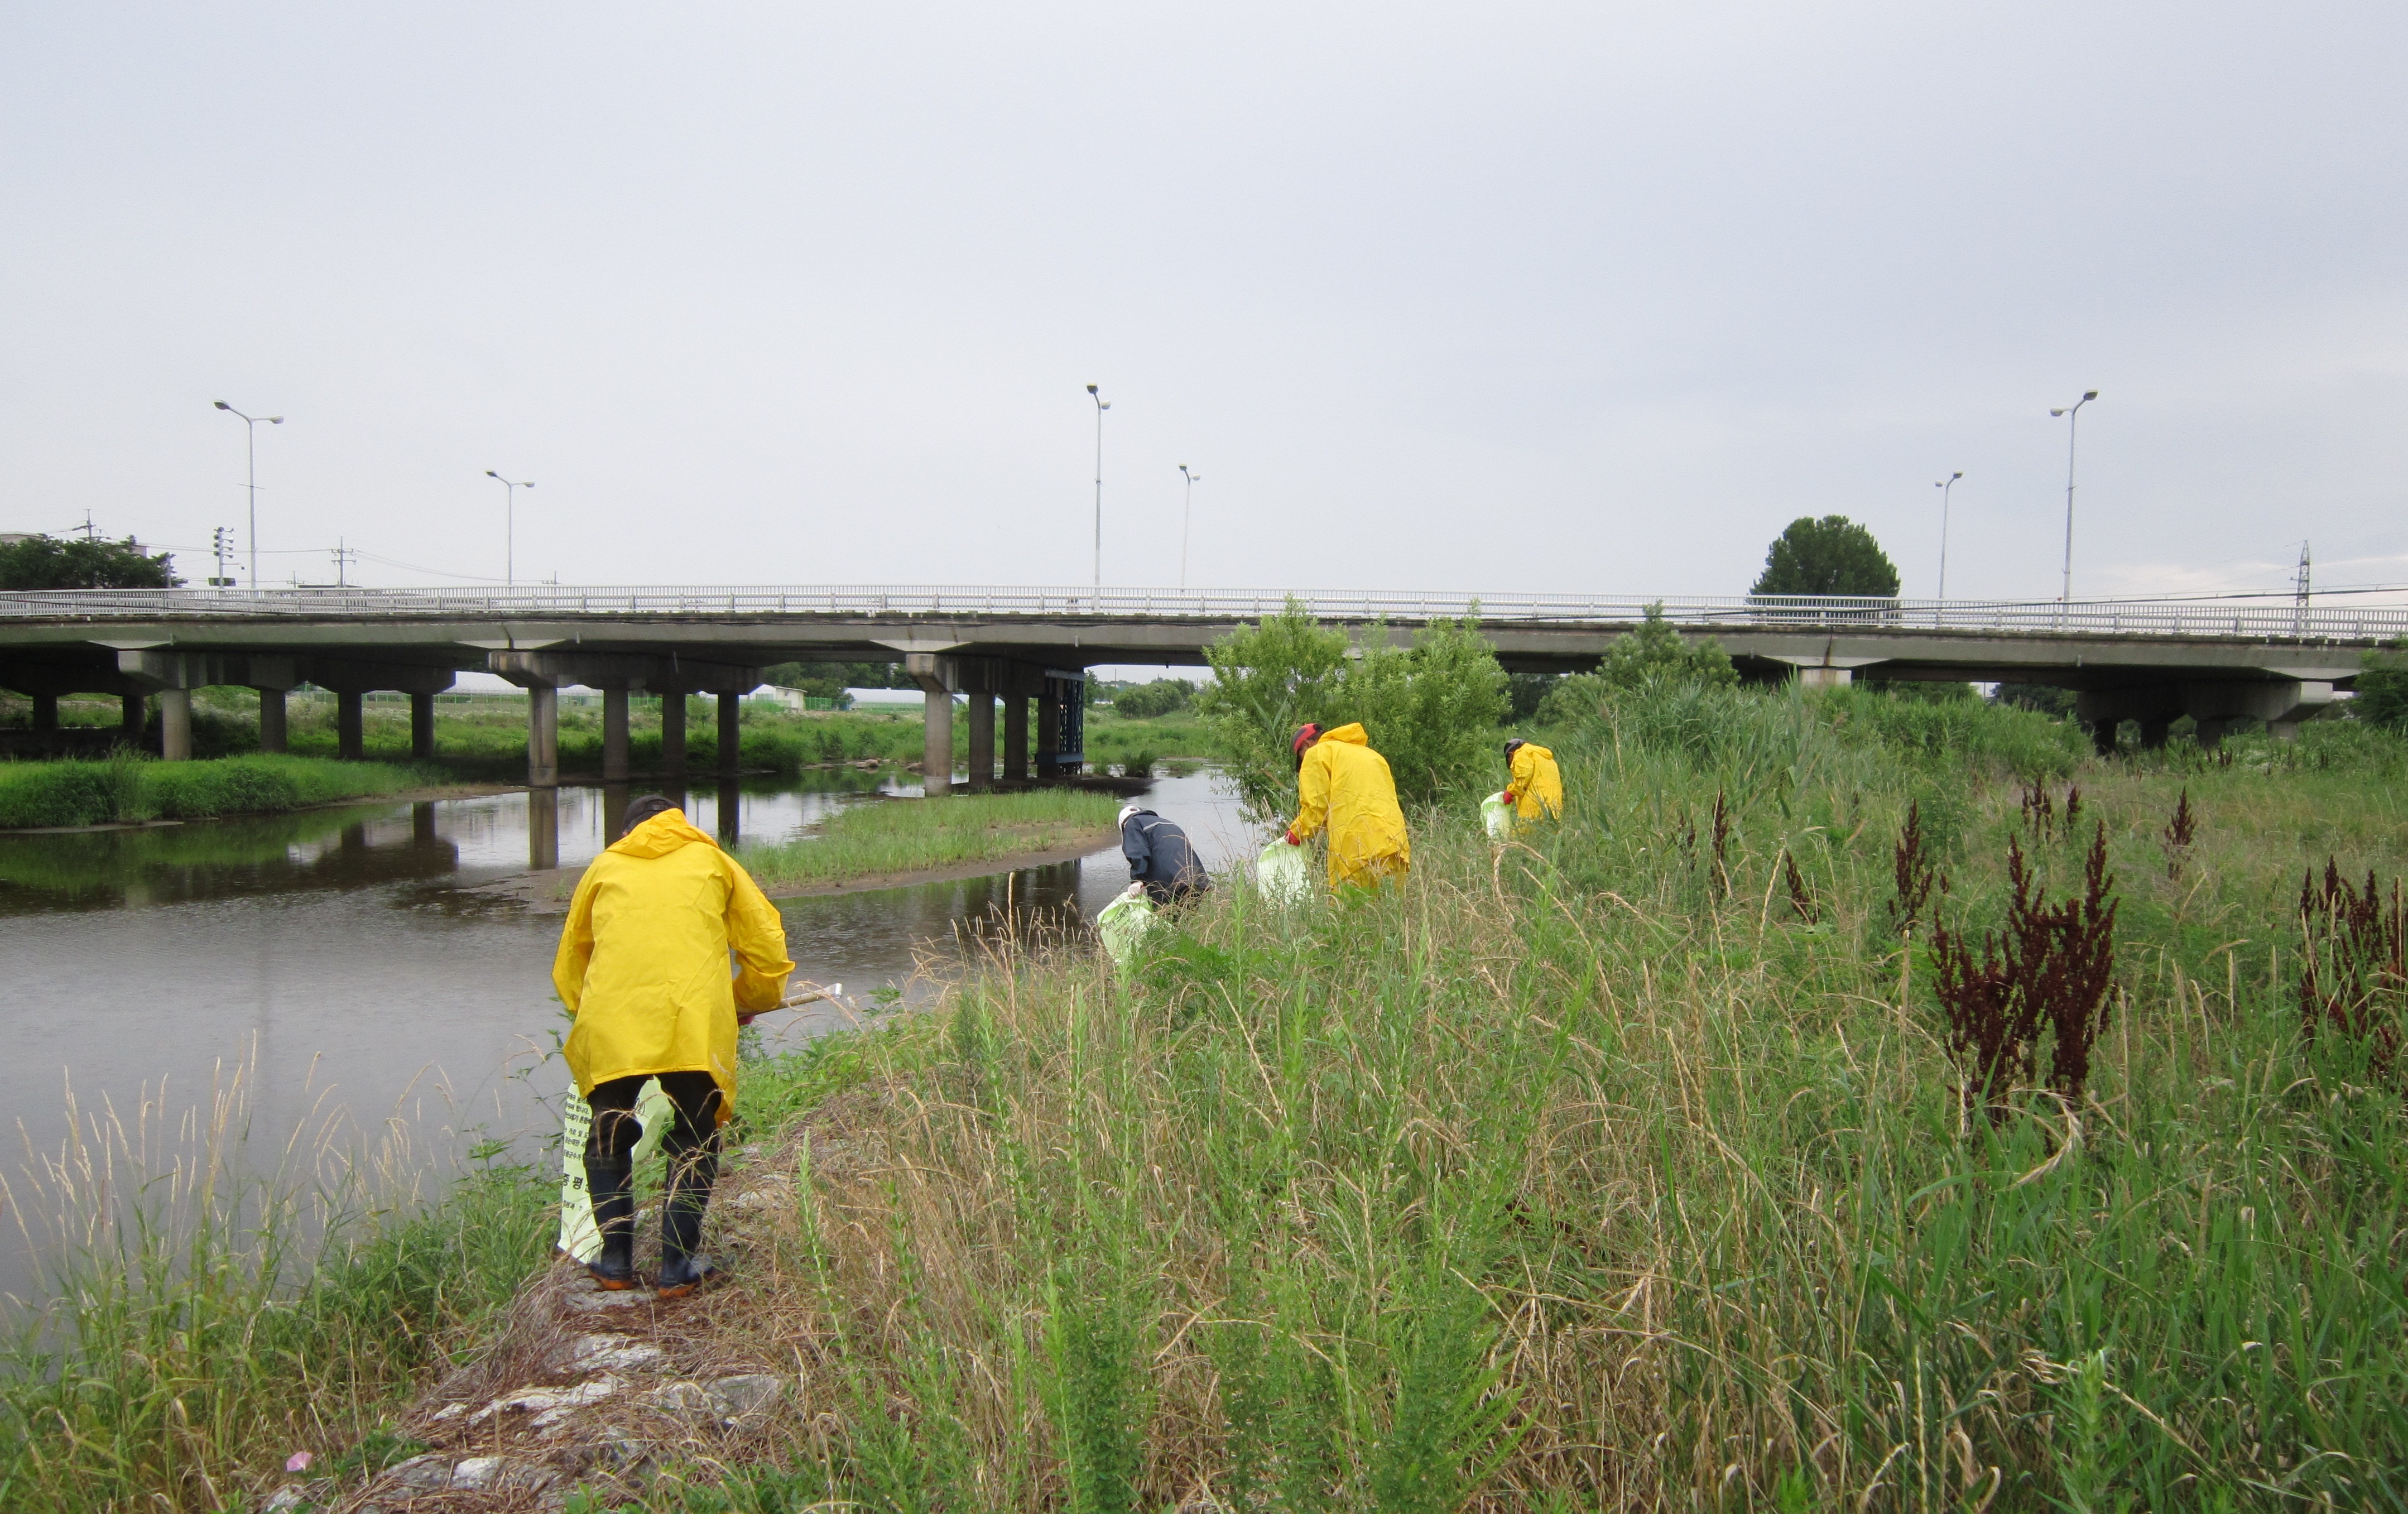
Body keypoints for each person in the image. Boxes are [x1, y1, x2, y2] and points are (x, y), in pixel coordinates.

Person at [553, 793, 793, 1296]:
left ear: (626, 831)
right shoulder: (714, 860)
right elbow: (767, 947)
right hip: (690, 1020)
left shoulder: (603, 866)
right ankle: (677, 1267)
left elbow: (571, 962)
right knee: (696, 1133)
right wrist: (739, 1000)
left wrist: (590, 1013)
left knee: (607, 1129)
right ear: (679, 822)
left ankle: (614, 1261)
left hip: (613, 1021)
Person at [1280, 722, 1411, 888]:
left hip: (1357, 850)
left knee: (1351, 910)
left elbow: (1317, 807)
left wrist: (1297, 832)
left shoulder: (1316, 753)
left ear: (1307, 744)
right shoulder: (1372, 755)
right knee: (1390, 911)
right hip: (1396, 847)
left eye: (1301, 756)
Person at [1118, 802, 1210, 907]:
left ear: (1123, 825)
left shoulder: (1133, 822)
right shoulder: (1168, 823)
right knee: (1187, 920)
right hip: (1197, 880)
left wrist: (1137, 880)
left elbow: (1138, 851)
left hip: (1169, 884)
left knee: (1165, 919)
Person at [1501, 737, 1563, 825]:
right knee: (1550, 831)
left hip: (1535, 802)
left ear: (1511, 754)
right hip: (1554, 804)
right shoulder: (1544, 757)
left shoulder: (1522, 753)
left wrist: (1511, 792)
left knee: (1524, 833)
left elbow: (1523, 779)